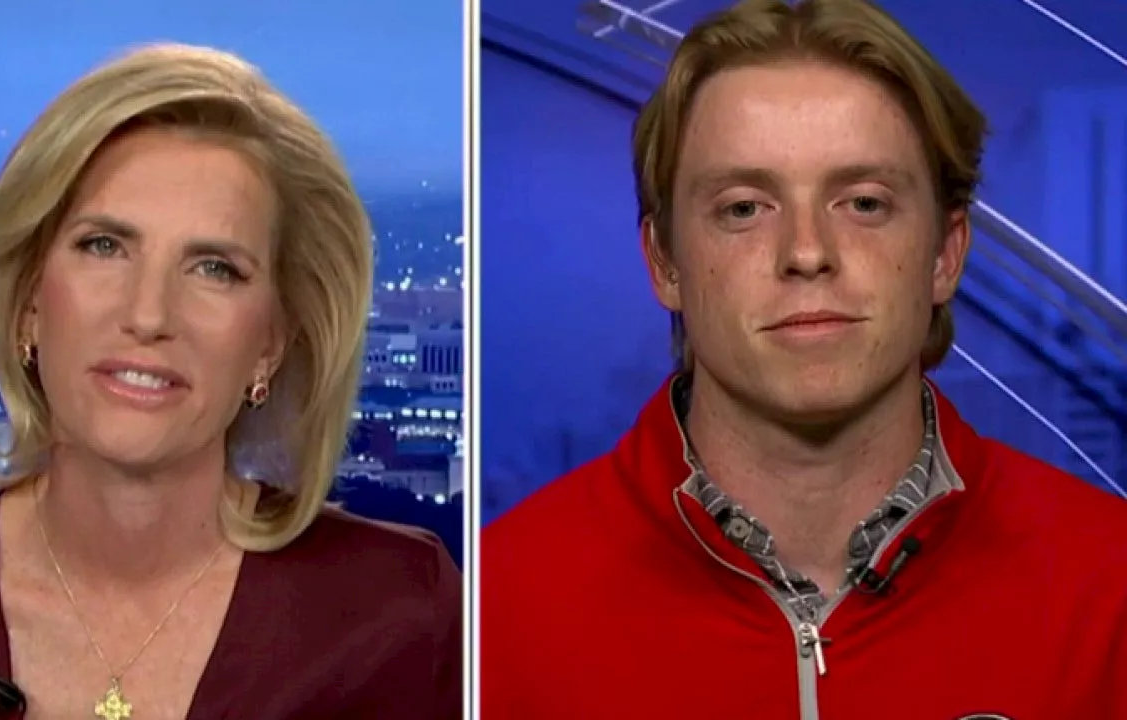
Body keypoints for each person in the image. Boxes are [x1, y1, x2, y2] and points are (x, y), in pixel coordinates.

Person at [483, 1, 1127, 718]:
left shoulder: (1111, 590)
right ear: (664, 261)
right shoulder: (493, 610)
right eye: (743, 209)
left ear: (946, 254)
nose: (807, 253)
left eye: (863, 202)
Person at [0, 44, 461, 719]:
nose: (148, 315)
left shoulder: (397, 618)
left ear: (269, 343)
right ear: (29, 300)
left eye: (214, 268)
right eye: (104, 246)